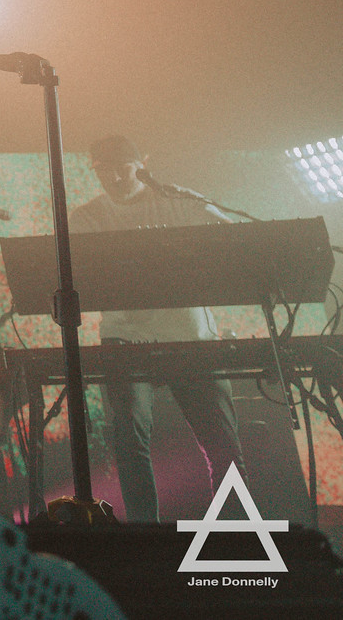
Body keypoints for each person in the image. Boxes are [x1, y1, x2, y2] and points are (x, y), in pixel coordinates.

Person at [70, 133, 244, 522]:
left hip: (190, 334)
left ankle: (235, 531)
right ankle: (145, 533)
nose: (113, 177)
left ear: (141, 164)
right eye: (103, 170)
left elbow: (236, 240)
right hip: (127, 337)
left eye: (121, 167)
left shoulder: (177, 199)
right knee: (130, 441)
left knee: (224, 445)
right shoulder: (85, 218)